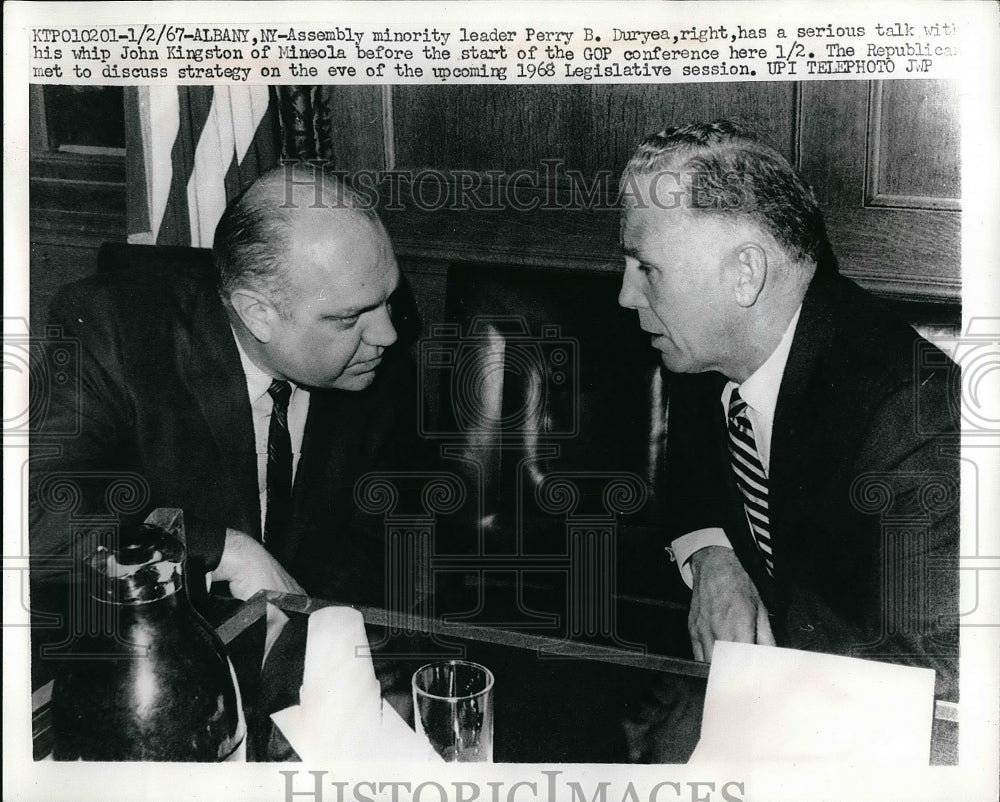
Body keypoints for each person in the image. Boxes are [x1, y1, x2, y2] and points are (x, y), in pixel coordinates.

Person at [616, 121, 959, 703]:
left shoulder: (913, 416)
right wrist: (712, 554)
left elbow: (934, 679)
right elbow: (698, 461)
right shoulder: (709, 343)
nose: (627, 296)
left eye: (646, 268)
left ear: (744, 274)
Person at [30, 165, 419, 629]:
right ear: (257, 313)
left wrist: (311, 643)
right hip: (145, 639)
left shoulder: (373, 351)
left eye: (387, 300)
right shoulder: (110, 331)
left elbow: (380, 543)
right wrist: (220, 549)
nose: (388, 333)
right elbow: (32, 517)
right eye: (348, 318)